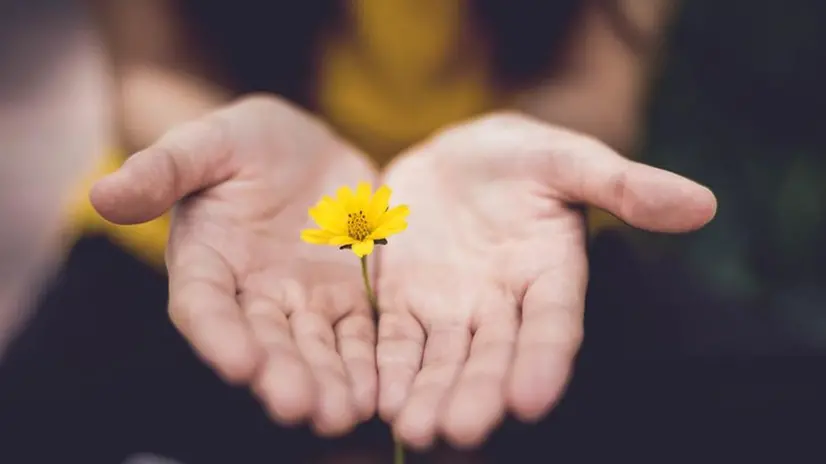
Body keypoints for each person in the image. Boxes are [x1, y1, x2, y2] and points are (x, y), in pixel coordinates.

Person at [0, 1, 717, 462]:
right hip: (225, 228)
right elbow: (151, 70)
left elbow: (599, 88)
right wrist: (206, 148)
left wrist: (527, 145)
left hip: (505, 239)